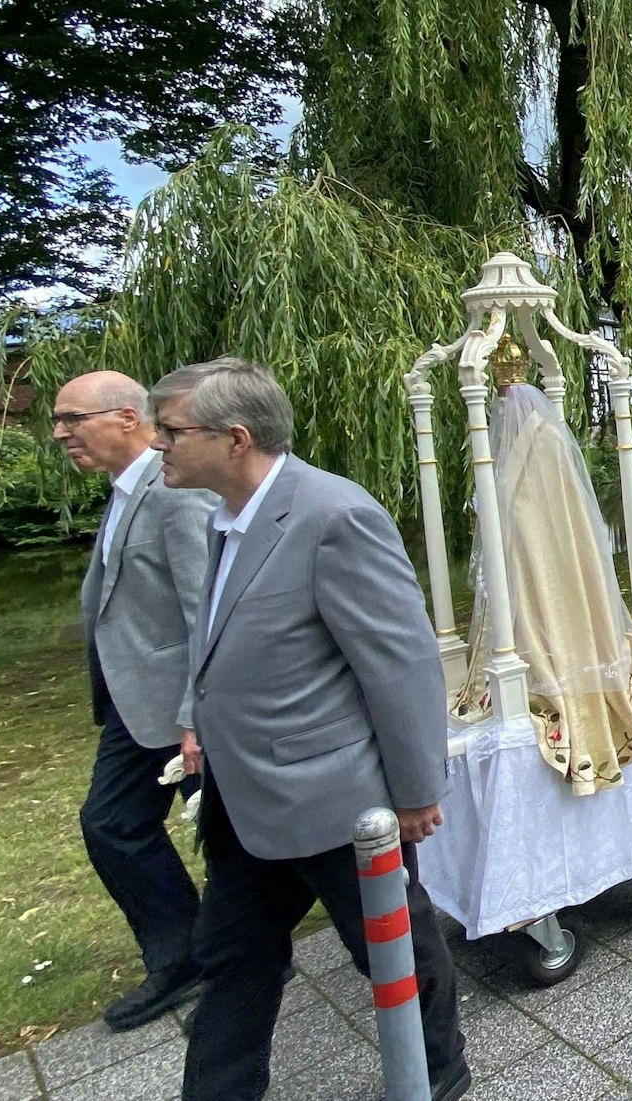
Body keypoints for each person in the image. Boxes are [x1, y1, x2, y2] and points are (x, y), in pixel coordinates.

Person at [151, 358, 469, 1101]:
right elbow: (221, 640)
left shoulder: (332, 516)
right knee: (231, 957)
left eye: (170, 431)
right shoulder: (223, 520)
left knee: (395, 953)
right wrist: (198, 723)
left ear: (234, 438)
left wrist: (418, 788)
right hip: (246, 799)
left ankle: (437, 1075)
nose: (158, 444)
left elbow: (400, 660)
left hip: (335, 802)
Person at [53, 371, 216, 1033]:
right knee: (116, 824)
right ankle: (189, 952)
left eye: (72, 418)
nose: (60, 432)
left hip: (176, 709)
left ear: (125, 417)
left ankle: (230, 951)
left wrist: (194, 715)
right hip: (133, 702)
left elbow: (206, 609)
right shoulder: (126, 491)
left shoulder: (174, 493)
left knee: (240, 843)